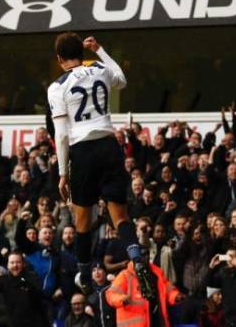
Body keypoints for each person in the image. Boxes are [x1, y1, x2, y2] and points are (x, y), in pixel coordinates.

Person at [47, 32, 149, 296]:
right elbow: (122, 80)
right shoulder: (100, 69)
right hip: (109, 145)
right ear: (82, 53)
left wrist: (62, 173)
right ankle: (137, 259)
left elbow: (61, 134)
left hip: (83, 151)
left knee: (82, 220)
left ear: (59, 59)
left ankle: (84, 274)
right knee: (121, 217)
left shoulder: (58, 87)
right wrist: (100, 50)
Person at [105, 249, 184, 327]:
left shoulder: (157, 273)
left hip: (157, 320)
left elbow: (167, 289)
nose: (145, 257)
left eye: (147, 254)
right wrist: (122, 299)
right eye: (142, 255)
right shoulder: (125, 275)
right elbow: (110, 294)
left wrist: (175, 296)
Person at [0, 251, 50, 327]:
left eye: (18, 262)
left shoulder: (32, 278)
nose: (15, 265)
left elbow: (41, 297)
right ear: (8, 265)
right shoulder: (3, 280)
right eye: (12, 263)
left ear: (23, 264)